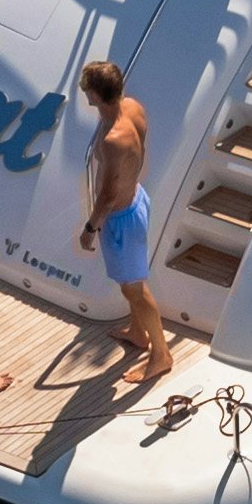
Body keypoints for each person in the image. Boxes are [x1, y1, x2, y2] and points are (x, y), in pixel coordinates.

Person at [80, 56, 172, 389]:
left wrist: (90, 228)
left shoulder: (112, 140)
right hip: (135, 201)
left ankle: (161, 355)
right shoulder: (133, 107)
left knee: (134, 288)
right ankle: (137, 332)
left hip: (121, 219)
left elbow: (106, 195)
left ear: (95, 95)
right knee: (130, 283)